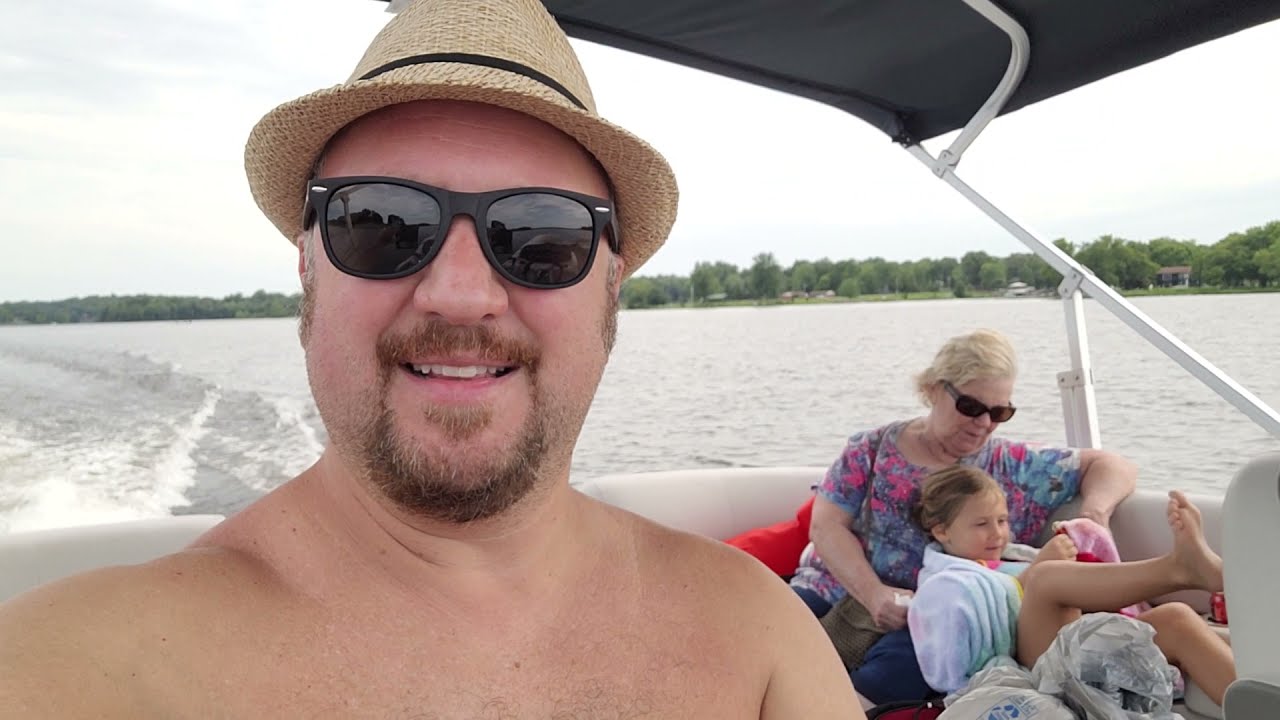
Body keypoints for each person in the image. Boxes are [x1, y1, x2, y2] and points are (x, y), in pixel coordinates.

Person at [0, 1, 862, 718]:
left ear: (611, 284)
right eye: (379, 223)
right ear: (307, 269)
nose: (460, 292)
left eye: (540, 233)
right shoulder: (87, 669)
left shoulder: (755, 639)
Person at [789, 328, 1138, 704]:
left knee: (898, 672)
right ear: (934, 388)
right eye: (971, 407)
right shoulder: (870, 450)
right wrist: (875, 595)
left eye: (999, 412)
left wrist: (1093, 517)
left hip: (937, 613)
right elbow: (825, 526)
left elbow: (1111, 465)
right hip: (837, 590)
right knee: (767, 632)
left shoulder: (1011, 465)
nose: (984, 423)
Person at [912, 465, 1235, 705]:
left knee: (1175, 618)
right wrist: (1030, 577)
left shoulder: (1015, 557)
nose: (997, 533)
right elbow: (957, 667)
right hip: (1032, 674)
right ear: (941, 531)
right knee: (1046, 578)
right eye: (982, 524)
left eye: (1002, 520)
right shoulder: (943, 587)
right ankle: (1178, 569)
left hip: (1075, 651)